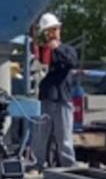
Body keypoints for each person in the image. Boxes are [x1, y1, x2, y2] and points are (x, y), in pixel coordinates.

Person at [33, 13, 77, 169]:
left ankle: (68, 165)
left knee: (63, 135)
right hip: (45, 98)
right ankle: (36, 163)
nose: (52, 34)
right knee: (40, 135)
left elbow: (71, 61)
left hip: (61, 99)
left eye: (54, 30)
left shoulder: (67, 50)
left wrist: (57, 48)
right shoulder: (40, 52)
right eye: (48, 31)